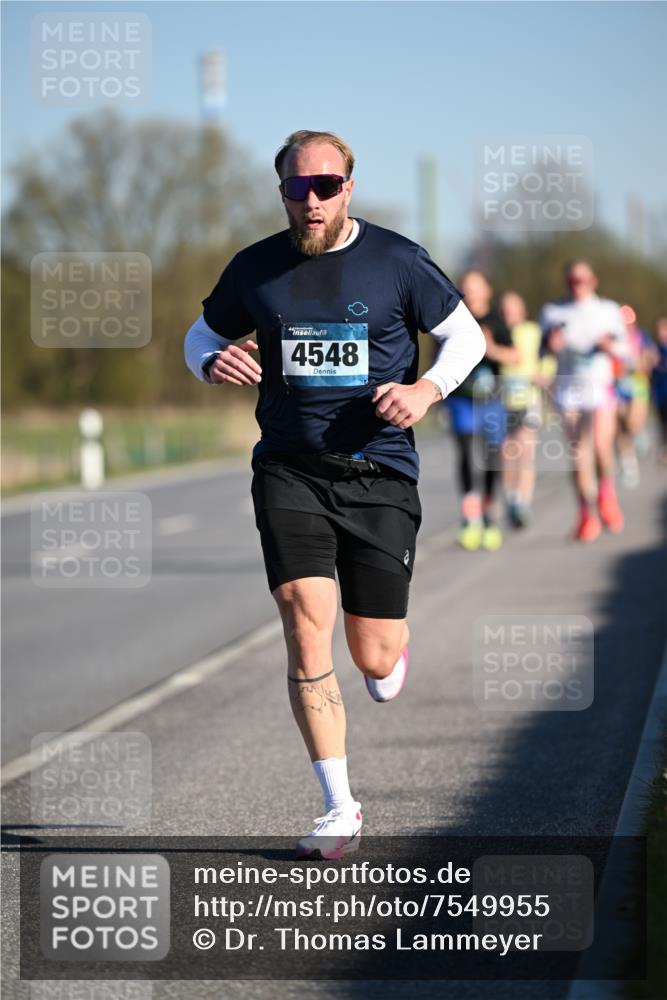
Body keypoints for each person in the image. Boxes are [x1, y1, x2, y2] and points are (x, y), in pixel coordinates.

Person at [184, 130, 485, 859]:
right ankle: (338, 805)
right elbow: (199, 333)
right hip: (289, 467)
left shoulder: (397, 261)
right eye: (296, 188)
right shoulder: (255, 268)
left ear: (348, 186)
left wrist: (423, 389)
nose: (310, 200)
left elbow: (466, 339)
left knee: (374, 656)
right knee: (301, 614)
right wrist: (210, 361)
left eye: (325, 186)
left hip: (378, 470)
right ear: (281, 190)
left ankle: (386, 657)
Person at [538, 261, 628, 542]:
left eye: (583, 279)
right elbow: (541, 352)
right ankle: (586, 515)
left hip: (599, 386)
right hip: (569, 389)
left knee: (601, 446)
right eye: (573, 280)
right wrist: (550, 348)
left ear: (593, 281)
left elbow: (627, 351)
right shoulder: (553, 312)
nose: (578, 284)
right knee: (579, 456)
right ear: (567, 282)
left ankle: (606, 495)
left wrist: (610, 347)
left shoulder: (609, 311)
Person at [444, 271, 519, 551]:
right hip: (462, 398)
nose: (471, 293)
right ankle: (470, 516)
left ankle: (488, 516)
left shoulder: (497, 322)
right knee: (464, 454)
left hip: (492, 399)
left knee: (490, 459)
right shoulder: (453, 320)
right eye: (466, 289)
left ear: (487, 290)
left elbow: (516, 356)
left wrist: (492, 349)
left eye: (476, 288)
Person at [498, 291, 544, 528]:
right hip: (503, 398)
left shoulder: (533, 331)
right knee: (507, 450)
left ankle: (523, 502)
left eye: (513, 307)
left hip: (529, 397)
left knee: (526, 450)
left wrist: (546, 371)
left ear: (523, 310)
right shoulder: (497, 332)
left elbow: (545, 355)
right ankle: (511, 497)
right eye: (505, 308)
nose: (508, 312)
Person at [615, 304, 657, 487]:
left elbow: (651, 357)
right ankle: (629, 466)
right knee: (620, 429)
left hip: (638, 384)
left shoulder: (641, 336)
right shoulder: (613, 338)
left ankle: (639, 432)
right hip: (618, 385)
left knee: (633, 422)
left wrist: (643, 362)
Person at [651, 316, 667, 466]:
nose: (662, 333)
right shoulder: (654, 349)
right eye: (659, 330)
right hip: (660, 393)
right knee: (662, 424)